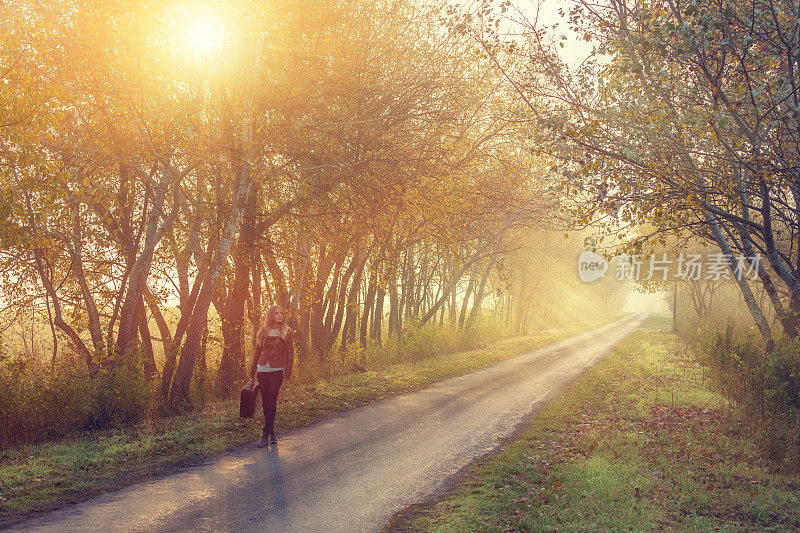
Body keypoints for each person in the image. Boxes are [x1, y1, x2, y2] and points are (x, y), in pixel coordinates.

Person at [247, 305, 294, 448]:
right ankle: (272, 431)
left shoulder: (287, 331)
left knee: (272, 401)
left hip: (277, 369)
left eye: (281, 313)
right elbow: (257, 352)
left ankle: (265, 434)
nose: (280, 315)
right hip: (262, 369)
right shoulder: (263, 331)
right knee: (266, 402)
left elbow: (290, 353)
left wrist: (288, 373)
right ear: (271, 316)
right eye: (277, 313)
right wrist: (252, 372)